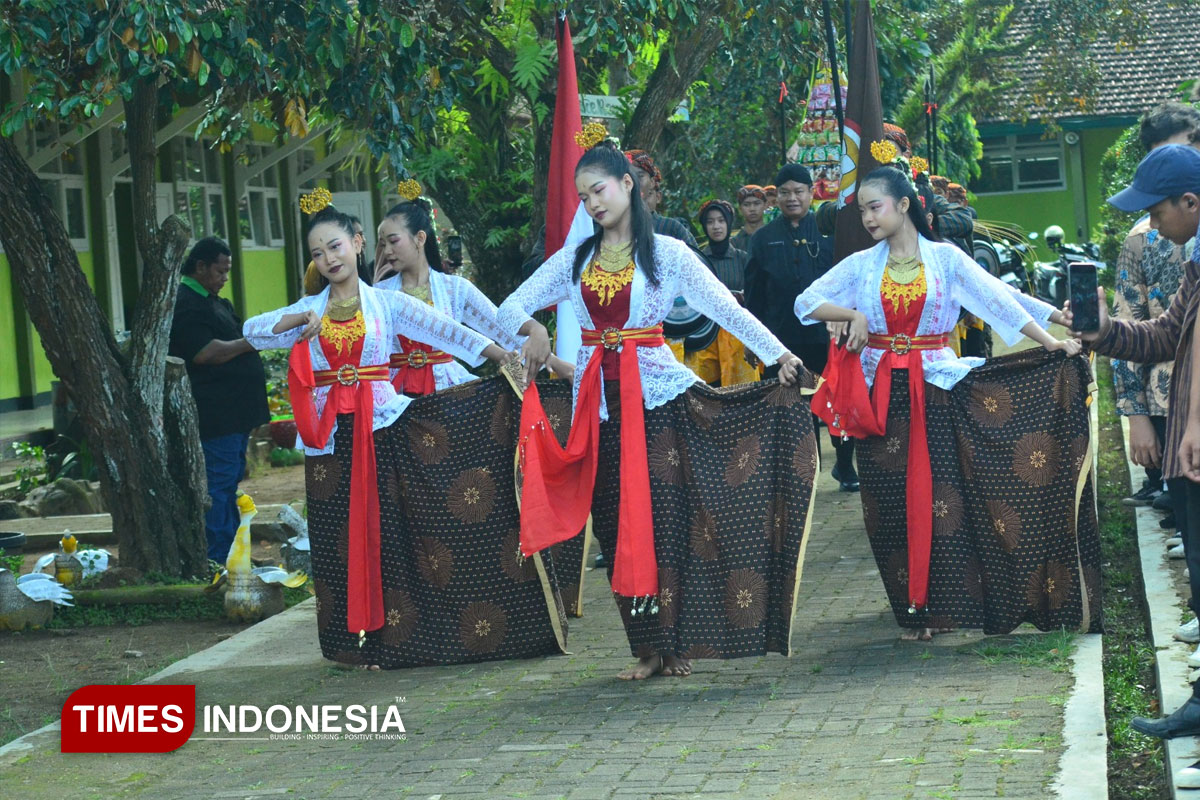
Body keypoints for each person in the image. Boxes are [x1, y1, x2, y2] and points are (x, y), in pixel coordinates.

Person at [498, 141, 818, 681]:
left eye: (598, 190)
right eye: (583, 197)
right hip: (598, 408)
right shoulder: (575, 259)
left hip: (660, 402)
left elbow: (724, 308)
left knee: (669, 520)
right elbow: (509, 307)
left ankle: (678, 640)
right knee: (615, 521)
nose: (592, 204)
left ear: (627, 185)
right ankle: (646, 647)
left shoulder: (666, 253)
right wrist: (533, 330)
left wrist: (780, 355)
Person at [242, 203, 566, 670]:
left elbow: (452, 332)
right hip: (331, 439)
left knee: (390, 535)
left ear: (356, 244)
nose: (329, 259)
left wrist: (504, 358)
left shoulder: (387, 303)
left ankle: (397, 638)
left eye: (336, 245)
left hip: (382, 428)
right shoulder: (308, 309)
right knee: (340, 540)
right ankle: (353, 643)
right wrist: (294, 325)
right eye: (318, 253)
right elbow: (251, 331)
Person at [796, 164, 1095, 642]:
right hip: (880, 398)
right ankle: (912, 611)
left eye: (875, 207)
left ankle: (948, 604)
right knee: (887, 504)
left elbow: (997, 298)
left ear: (904, 204)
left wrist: (1051, 340)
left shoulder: (946, 260)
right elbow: (806, 302)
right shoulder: (860, 266)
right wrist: (850, 312)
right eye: (862, 211)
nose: (869, 219)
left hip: (936, 389)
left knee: (943, 501)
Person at [1071, 143, 1200, 739]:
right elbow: (1166, 334)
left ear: (1190, 202)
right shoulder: (1194, 262)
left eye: (1157, 211)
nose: (1151, 224)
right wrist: (1104, 331)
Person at [373, 199, 574, 396]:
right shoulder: (379, 294)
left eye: (393, 241)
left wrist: (556, 364)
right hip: (394, 392)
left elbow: (500, 327)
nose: (387, 251)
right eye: (383, 244)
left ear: (420, 238)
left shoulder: (455, 289)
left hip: (447, 387)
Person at [744, 163, 857, 490]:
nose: (792, 198)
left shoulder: (829, 234)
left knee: (838, 401)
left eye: (798, 191)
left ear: (811, 193)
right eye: (784, 192)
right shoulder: (763, 239)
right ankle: (802, 473)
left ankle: (845, 466)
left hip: (826, 338)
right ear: (775, 197)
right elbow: (753, 296)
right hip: (781, 342)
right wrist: (754, 341)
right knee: (792, 410)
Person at [169, 237, 270, 563]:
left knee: (229, 485)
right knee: (218, 486)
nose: (224, 277)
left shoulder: (213, 301)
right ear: (200, 267)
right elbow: (205, 353)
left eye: (227, 271)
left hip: (235, 415)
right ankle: (220, 558)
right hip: (217, 416)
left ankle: (232, 555)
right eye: (219, 271)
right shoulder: (186, 303)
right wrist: (251, 341)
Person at [680, 199, 759, 386]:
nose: (716, 226)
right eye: (710, 221)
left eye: (721, 221)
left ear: (729, 223)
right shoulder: (697, 260)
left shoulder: (742, 258)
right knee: (708, 392)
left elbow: (755, 297)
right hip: (705, 337)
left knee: (741, 393)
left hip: (738, 336)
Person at [625, 149, 698, 247]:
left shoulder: (672, 229)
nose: (633, 183)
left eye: (639, 176)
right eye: (628, 177)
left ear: (651, 182)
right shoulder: (610, 228)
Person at [732, 185, 768, 251]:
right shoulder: (733, 244)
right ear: (740, 209)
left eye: (757, 204)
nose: (752, 209)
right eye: (746, 204)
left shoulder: (775, 237)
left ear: (765, 205)